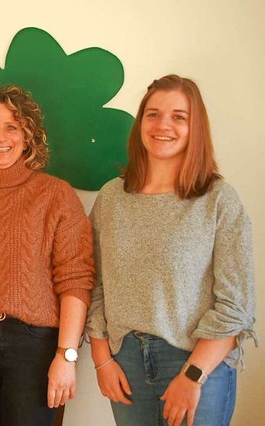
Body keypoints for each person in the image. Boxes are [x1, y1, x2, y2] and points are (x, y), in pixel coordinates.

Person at [85, 74, 257, 426]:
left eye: (179, 116)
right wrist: (102, 360)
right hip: (126, 362)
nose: (164, 125)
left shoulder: (218, 200)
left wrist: (193, 376)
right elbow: (95, 284)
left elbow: (235, 304)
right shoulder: (111, 199)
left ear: (196, 128)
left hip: (196, 362)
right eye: (153, 114)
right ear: (140, 122)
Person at [0, 84, 95, 425]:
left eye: (11, 127)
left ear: (28, 135)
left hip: (37, 347)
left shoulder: (56, 196)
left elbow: (76, 279)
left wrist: (66, 356)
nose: (1, 137)